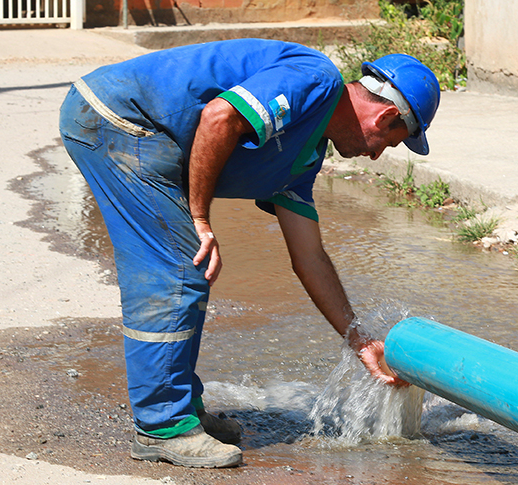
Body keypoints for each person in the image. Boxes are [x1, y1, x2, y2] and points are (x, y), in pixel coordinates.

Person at [58, 38, 440, 469]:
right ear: (388, 115)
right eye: (389, 143)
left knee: (191, 268)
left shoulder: (302, 160)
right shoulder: (316, 78)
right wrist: (201, 219)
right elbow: (219, 117)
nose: (375, 154)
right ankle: (162, 426)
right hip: (121, 118)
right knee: (178, 269)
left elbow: (310, 258)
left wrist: (359, 339)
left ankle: (181, 406)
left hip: (144, 132)